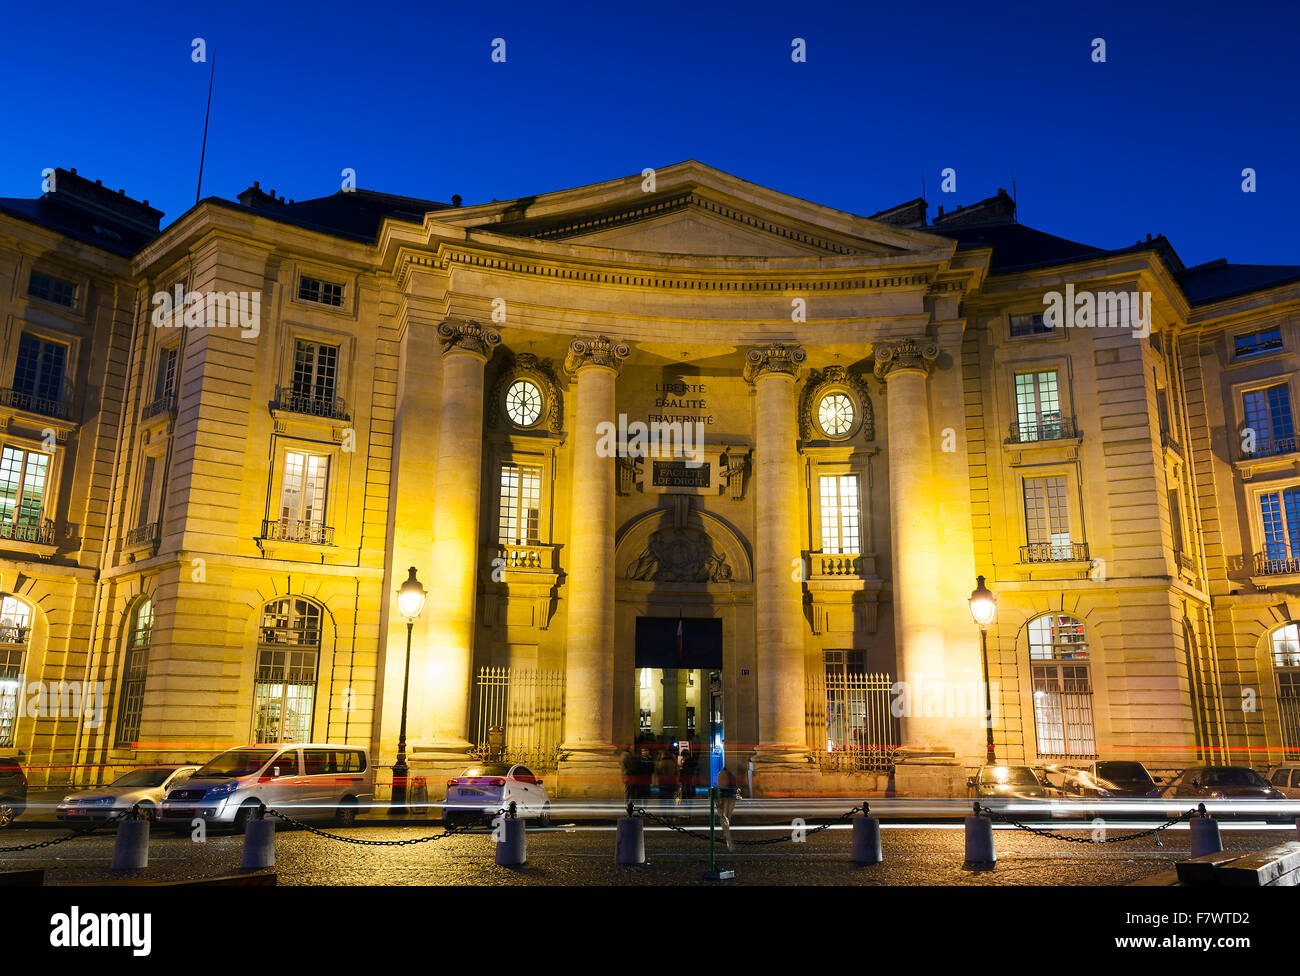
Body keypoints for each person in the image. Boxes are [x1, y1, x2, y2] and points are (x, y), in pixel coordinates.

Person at [715, 764, 740, 851]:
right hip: (730, 797)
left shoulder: (720, 774)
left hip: (722, 797)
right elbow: (734, 787)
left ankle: (726, 834)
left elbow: (719, 786)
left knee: (723, 817)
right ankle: (727, 835)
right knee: (727, 817)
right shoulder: (731, 775)